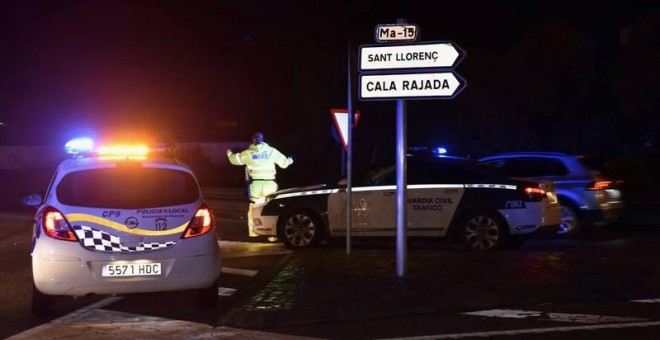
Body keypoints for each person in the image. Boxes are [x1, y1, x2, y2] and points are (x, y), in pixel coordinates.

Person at [227, 132, 294, 238]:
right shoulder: (271, 151)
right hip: (270, 185)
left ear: (253, 140)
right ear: (263, 139)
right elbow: (284, 164)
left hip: (255, 185)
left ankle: (254, 233)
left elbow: (234, 160)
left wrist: (229, 153)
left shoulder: (247, 153)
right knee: (271, 207)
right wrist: (290, 160)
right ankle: (272, 235)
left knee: (254, 208)